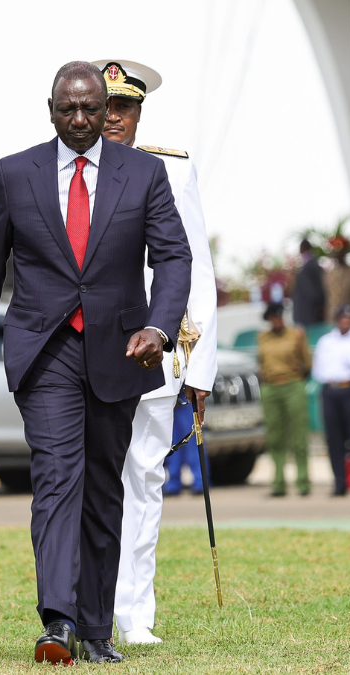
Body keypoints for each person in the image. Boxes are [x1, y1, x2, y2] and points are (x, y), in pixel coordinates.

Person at [0, 61, 191, 664]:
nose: (82, 120)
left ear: (105, 106)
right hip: (45, 350)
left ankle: (96, 628)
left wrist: (159, 328)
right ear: (51, 108)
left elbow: (174, 258)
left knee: (102, 489)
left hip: (120, 351)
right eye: (70, 109)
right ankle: (57, 621)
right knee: (57, 480)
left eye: (92, 108)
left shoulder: (145, 172)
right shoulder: (15, 174)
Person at [89, 59, 218, 647]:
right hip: (88, 350)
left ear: (140, 113)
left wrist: (202, 362)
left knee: (144, 477)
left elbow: (196, 270)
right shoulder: (72, 171)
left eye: (125, 107)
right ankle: (81, 603)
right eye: (105, 105)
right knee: (89, 479)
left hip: (155, 349)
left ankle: (134, 611)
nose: (113, 117)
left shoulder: (171, 170)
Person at [312, 305, 350, 496]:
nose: (345, 322)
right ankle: (340, 483)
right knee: (334, 440)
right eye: (342, 318)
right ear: (337, 320)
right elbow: (318, 370)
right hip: (330, 391)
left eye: (349, 318)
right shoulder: (326, 341)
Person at [257, 301, 312, 497]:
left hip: (292, 384)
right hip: (271, 387)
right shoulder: (262, 338)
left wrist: (297, 379)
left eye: (279, 316)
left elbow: (307, 363)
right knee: (275, 437)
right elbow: (261, 363)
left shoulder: (296, 335)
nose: (277, 320)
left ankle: (303, 482)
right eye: (273, 317)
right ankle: (278, 483)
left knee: (298, 436)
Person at [164, 393, 205, 495]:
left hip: (186, 394)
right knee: (173, 445)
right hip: (168, 397)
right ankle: (173, 484)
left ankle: (200, 482)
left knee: (193, 441)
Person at [292, 240, 326, 327]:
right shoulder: (304, 267)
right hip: (304, 315)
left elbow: (319, 291)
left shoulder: (312, 266)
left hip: (311, 315)